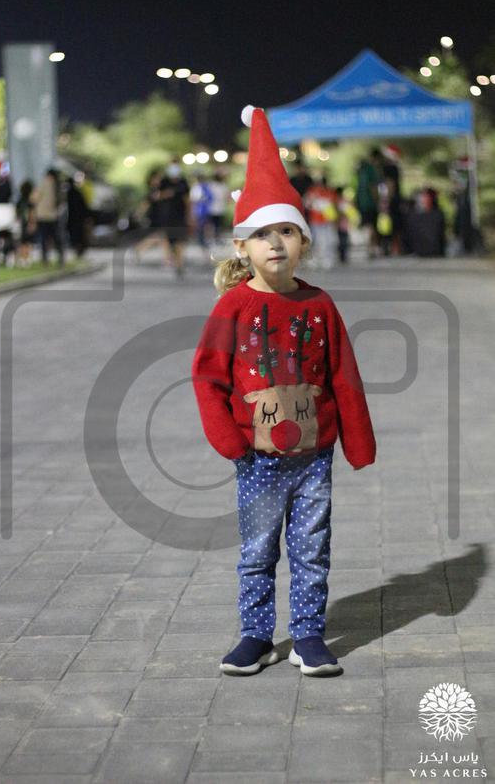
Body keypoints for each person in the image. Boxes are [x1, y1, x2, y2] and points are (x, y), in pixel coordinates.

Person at [192, 106, 376, 677]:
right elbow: (208, 375)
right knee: (257, 549)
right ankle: (255, 635)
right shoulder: (233, 306)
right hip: (258, 457)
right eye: (262, 234)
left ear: (303, 242)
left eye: (287, 232)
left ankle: (308, 636)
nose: (275, 243)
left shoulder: (319, 305)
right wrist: (230, 441)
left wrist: (357, 442)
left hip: (314, 455)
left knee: (312, 548)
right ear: (242, 247)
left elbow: (344, 373)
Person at [159, 157, 190, 277]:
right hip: (167, 216)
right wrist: (165, 194)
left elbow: (187, 200)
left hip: (180, 215)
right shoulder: (164, 181)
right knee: (168, 240)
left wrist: (190, 215)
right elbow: (157, 195)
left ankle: (179, 263)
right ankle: (170, 259)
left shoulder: (183, 182)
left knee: (179, 240)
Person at [304, 175, 339, 269]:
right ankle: (317, 259)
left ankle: (325, 259)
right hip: (317, 220)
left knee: (326, 241)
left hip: (325, 220)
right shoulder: (314, 192)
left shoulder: (326, 192)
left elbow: (334, 205)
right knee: (318, 241)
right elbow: (307, 204)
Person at [32, 168, 64, 266]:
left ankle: (45, 259)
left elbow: (34, 198)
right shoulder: (58, 185)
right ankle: (61, 257)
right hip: (53, 215)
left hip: (42, 215)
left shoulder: (43, 183)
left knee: (43, 238)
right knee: (56, 237)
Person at [355, 148, 381, 259]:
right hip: (370, 202)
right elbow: (373, 187)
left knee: (367, 224)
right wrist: (377, 200)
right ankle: (372, 247)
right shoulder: (372, 170)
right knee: (372, 225)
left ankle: (370, 247)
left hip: (362, 201)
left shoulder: (361, 169)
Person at [66, 176, 90, 257]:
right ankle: (79, 249)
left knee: (75, 235)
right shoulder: (78, 193)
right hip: (78, 218)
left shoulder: (69, 194)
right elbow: (84, 206)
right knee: (79, 235)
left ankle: (78, 249)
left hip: (73, 218)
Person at [189, 173, 213, 250]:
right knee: (199, 225)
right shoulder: (197, 187)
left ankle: (202, 240)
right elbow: (193, 200)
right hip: (199, 210)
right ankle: (200, 240)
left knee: (203, 225)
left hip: (204, 210)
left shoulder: (205, 187)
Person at [16, 179, 37, 266]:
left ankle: (22, 258)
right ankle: (26, 258)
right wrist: (32, 223)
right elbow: (32, 213)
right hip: (27, 223)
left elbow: (17, 212)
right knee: (28, 242)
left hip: (21, 223)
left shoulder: (20, 200)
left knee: (22, 241)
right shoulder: (30, 201)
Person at [208, 171, 229, 243]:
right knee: (213, 225)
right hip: (212, 208)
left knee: (218, 225)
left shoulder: (222, 186)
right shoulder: (211, 185)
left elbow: (227, 196)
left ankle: (217, 238)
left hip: (219, 209)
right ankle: (213, 238)